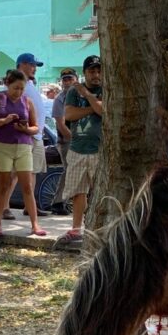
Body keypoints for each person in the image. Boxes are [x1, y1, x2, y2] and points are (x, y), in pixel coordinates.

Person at [0, 69, 46, 238]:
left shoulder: (27, 102)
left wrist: (26, 129)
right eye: (15, 88)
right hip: (2, 145)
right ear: (7, 84)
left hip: (24, 146)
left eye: (21, 88)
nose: (18, 92)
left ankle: (35, 224)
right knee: (3, 186)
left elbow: (35, 127)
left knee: (27, 186)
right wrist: (4, 121)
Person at [59, 55, 104, 246]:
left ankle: (98, 230)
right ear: (85, 72)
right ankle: (76, 229)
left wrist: (87, 95)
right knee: (79, 192)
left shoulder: (106, 89)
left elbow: (103, 111)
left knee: (99, 191)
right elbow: (69, 114)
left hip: (98, 149)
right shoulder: (72, 92)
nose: (96, 75)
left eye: (98, 71)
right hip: (78, 148)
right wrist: (91, 106)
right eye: (92, 71)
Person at [17, 53, 51, 218]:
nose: (34, 68)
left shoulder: (29, 84)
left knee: (33, 171)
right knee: (17, 173)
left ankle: (29, 206)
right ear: (22, 64)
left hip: (36, 135)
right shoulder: (17, 83)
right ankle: (4, 208)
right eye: (31, 65)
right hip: (26, 135)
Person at [52, 67, 76, 166]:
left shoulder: (84, 96)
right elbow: (61, 125)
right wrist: (74, 140)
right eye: (64, 80)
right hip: (68, 142)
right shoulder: (59, 99)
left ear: (76, 80)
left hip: (85, 141)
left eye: (70, 79)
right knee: (69, 172)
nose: (67, 82)